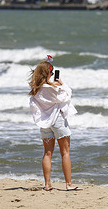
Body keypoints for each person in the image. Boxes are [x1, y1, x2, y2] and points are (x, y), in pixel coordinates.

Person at [28, 55, 79, 191]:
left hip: (45, 122)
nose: (52, 73)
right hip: (58, 120)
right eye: (51, 71)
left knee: (47, 153)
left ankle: (47, 184)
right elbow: (67, 95)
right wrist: (61, 83)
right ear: (48, 73)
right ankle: (68, 184)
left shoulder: (36, 89)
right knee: (65, 152)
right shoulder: (52, 88)